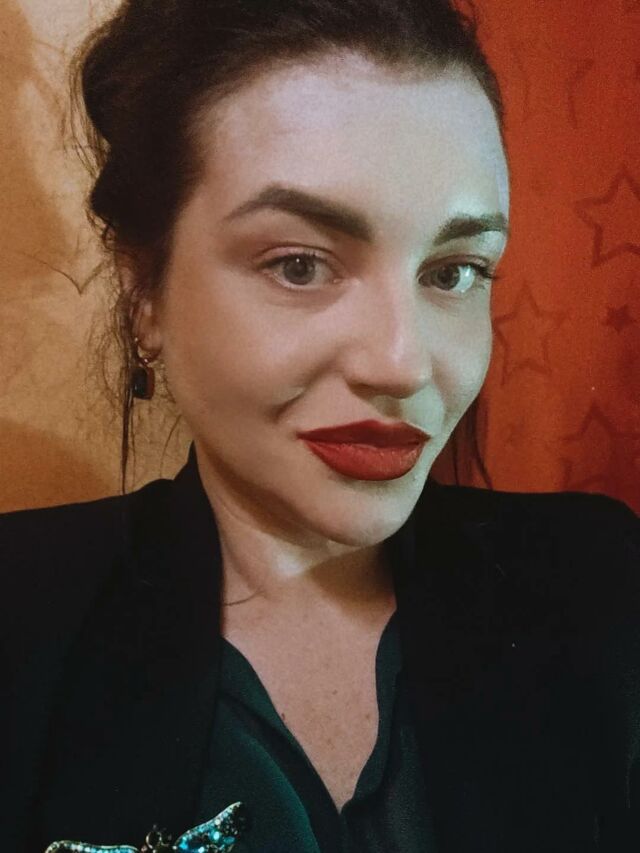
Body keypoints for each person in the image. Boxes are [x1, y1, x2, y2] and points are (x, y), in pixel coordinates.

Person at [2, 0, 639, 851]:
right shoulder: (22, 617)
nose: (404, 364)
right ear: (144, 292)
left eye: (454, 271)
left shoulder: (601, 587)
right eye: (300, 264)